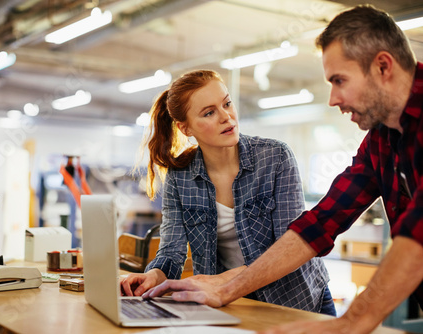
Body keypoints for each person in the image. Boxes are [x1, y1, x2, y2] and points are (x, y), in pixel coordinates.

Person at [142, 4, 423, 334]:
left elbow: (417, 234)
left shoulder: (274, 157)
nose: (332, 98)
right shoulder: (382, 139)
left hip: (294, 299)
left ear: (382, 67)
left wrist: (353, 322)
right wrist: (226, 288)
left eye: (339, 80)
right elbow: (321, 222)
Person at [120, 69, 336, 315]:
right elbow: (172, 251)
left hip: (295, 301)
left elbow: (289, 250)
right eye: (209, 112)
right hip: (235, 302)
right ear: (186, 128)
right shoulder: (179, 177)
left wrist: (219, 281)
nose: (226, 117)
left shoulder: (275, 158)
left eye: (227, 103)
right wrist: (153, 275)